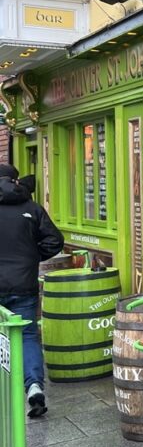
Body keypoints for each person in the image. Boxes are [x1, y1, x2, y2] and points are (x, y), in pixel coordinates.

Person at [0, 164, 63, 418]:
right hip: (24, 283)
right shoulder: (31, 208)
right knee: (27, 336)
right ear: (15, 181)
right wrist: (32, 256)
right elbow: (55, 240)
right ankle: (34, 386)